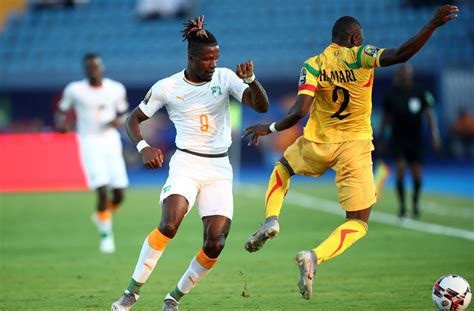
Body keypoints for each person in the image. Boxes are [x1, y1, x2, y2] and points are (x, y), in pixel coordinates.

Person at [242, 4, 458, 301]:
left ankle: (272, 219)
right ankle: (314, 256)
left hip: (319, 142)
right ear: (355, 38)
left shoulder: (313, 64)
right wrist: (432, 24)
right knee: (358, 221)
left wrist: (271, 128)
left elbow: (300, 111)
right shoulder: (363, 55)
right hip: (354, 146)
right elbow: (402, 54)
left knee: (283, 168)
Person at [111, 16, 269, 311]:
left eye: (216, 58)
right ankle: (131, 293)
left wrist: (250, 80)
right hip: (185, 163)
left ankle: (173, 298)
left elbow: (261, 105)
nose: (213, 63)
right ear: (191, 57)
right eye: (207, 59)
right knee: (170, 223)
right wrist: (143, 146)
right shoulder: (167, 87)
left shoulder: (224, 78)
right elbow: (133, 120)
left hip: (219, 169)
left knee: (215, 242)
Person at [57, 53, 129, 253]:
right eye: (89, 67)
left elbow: (124, 113)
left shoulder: (116, 89)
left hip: (110, 140)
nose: (93, 70)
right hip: (89, 140)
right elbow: (62, 110)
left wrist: (118, 121)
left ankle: (102, 215)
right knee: (102, 188)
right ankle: (106, 237)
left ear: (102, 68)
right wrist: (61, 124)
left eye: (96, 66)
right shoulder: (75, 90)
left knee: (119, 193)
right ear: (85, 70)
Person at [378, 63, 441, 219]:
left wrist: (434, 134)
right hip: (398, 139)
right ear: (399, 75)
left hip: (415, 139)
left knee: (417, 175)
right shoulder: (391, 94)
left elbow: (429, 115)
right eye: (403, 73)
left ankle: (415, 202)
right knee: (400, 171)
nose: (406, 76)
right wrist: (381, 138)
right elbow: (385, 119)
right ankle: (402, 207)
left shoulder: (420, 92)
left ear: (411, 75)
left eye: (408, 73)